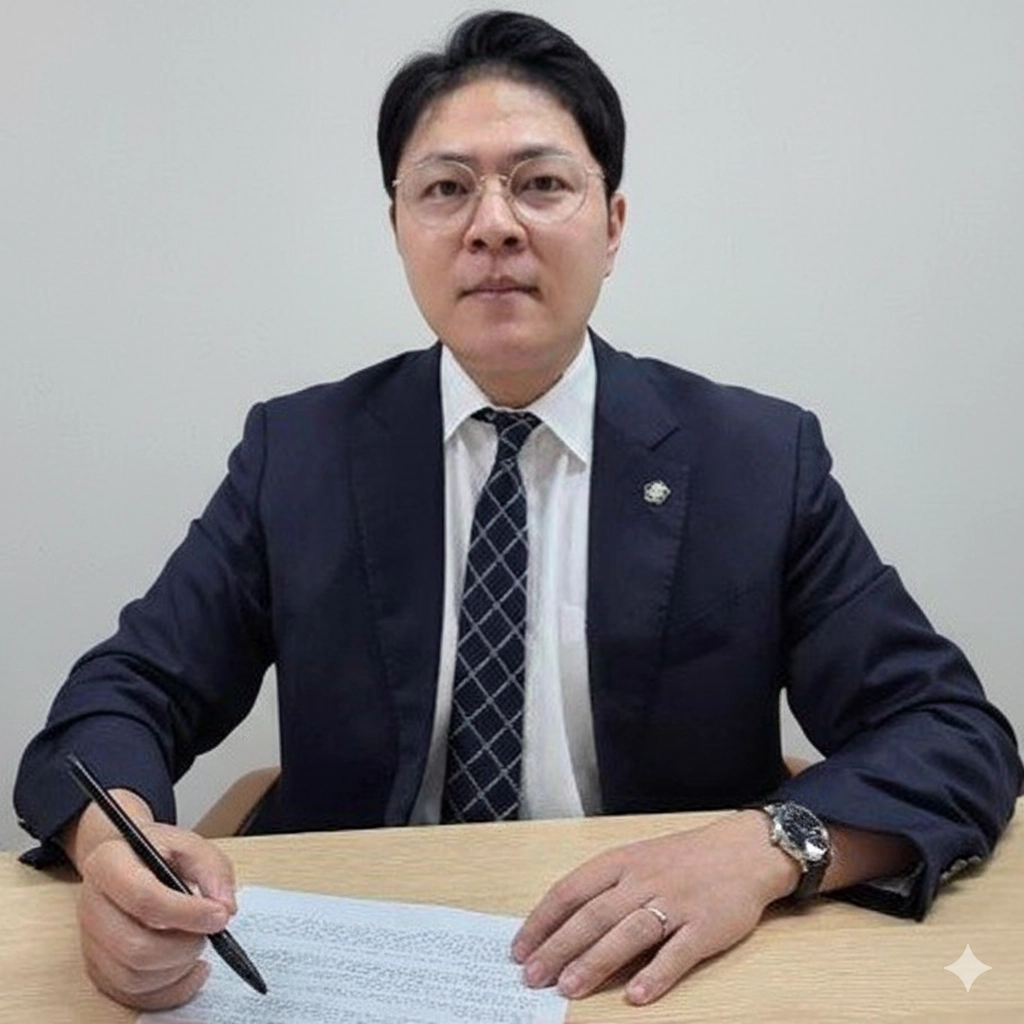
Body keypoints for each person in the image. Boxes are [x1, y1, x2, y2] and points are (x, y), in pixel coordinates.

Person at [13, 9, 1022, 1013]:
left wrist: (765, 847)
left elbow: (950, 732)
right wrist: (117, 850)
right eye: (446, 188)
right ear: (398, 227)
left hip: (655, 972)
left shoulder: (754, 459)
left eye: (540, 184)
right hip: (355, 958)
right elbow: (124, 695)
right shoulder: (300, 453)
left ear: (612, 224)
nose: (492, 225)